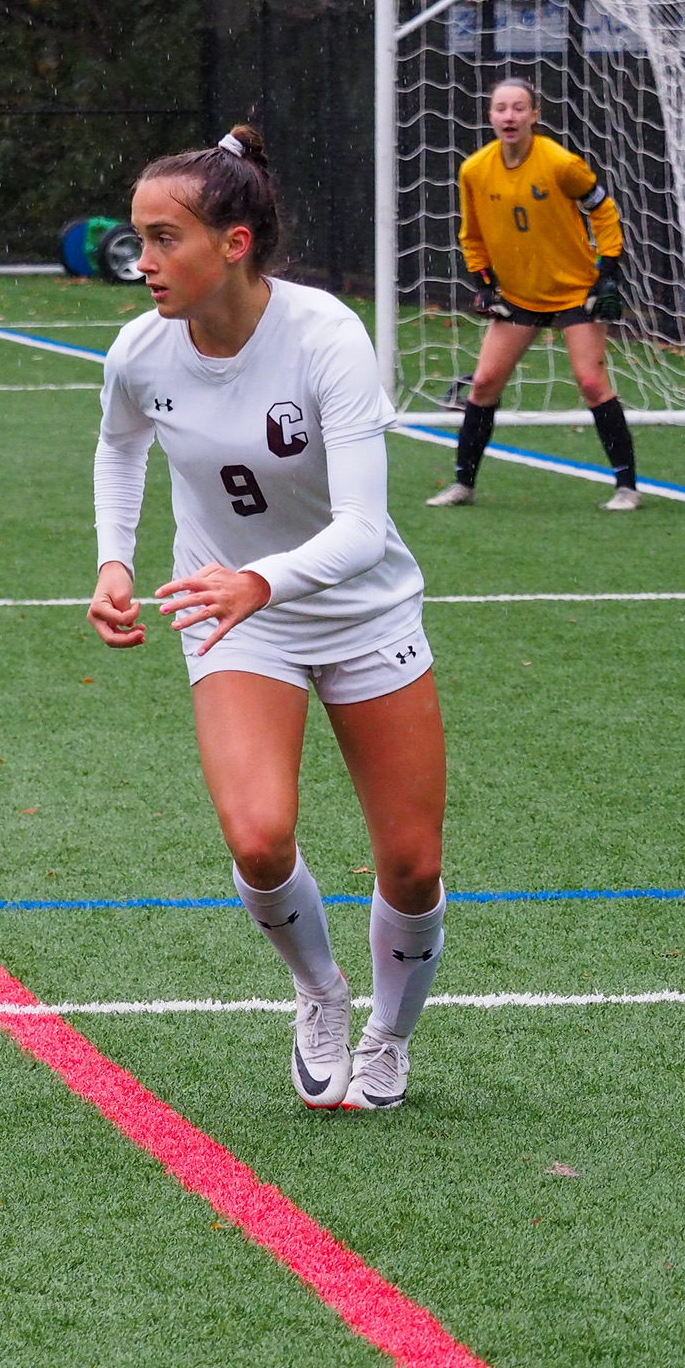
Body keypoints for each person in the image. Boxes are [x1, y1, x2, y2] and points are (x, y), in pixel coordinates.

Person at [88, 125, 448, 1110]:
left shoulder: (325, 335)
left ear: (234, 242)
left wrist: (263, 581)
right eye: (139, 239)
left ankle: (389, 1035)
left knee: (411, 866)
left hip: (359, 608)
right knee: (257, 838)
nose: (144, 262)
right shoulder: (140, 350)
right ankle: (318, 991)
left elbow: (364, 531)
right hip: (234, 615)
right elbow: (121, 445)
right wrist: (114, 559)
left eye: (165, 240)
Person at [428, 76, 639, 513]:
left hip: (574, 291)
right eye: (501, 108)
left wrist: (608, 271)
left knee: (591, 382)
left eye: (519, 108)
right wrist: (484, 283)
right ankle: (463, 485)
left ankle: (627, 487)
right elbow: (472, 234)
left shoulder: (561, 164)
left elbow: (603, 209)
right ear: (490, 116)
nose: (510, 116)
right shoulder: (474, 170)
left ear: (534, 115)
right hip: (520, 295)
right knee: (483, 383)